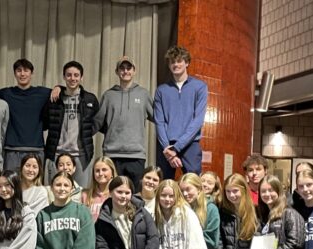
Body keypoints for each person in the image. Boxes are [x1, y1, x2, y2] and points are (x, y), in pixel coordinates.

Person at [95, 58, 153, 189]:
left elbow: (158, 117)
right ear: (117, 71)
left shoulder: (143, 94)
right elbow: (98, 122)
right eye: (122, 68)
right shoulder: (108, 95)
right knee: (112, 193)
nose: (125, 71)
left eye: (129, 68)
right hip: (111, 155)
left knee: (135, 195)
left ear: (134, 71)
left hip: (136, 155)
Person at [154, 46, 207, 178]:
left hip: (191, 145)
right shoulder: (161, 90)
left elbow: (198, 120)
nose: (175, 64)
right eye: (172, 62)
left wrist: (176, 148)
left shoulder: (200, 87)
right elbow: (159, 121)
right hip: (166, 146)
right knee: (164, 186)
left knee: (193, 185)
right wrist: (168, 148)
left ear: (187, 63)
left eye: (179, 61)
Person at [45, 61, 99, 188]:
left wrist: (87, 133)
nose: (72, 78)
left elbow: (98, 121)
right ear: (64, 77)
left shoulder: (90, 99)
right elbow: (45, 121)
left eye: (76, 75)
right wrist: (58, 87)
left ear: (81, 77)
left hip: (81, 155)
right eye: (69, 75)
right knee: (54, 192)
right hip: (57, 153)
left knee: (81, 194)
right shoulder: (54, 98)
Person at [0, 59, 53, 171]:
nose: (22, 74)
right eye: (19, 70)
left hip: (36, 149)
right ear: (15, 74)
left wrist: (58, 88)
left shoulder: (42, 93)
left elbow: (64, 91)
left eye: (26, 70)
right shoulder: (6, 93)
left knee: (35, 187)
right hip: (12, 150)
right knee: (11, 185)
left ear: (31, 73)